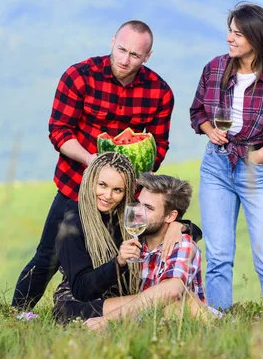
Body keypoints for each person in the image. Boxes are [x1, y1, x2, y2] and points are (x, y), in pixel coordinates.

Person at [12, 20, 175, 310]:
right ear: (112, 41)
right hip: (75, 184)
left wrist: (130, 178)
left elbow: (158, 145)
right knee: (48, 256)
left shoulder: (160, 92)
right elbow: (59, 131)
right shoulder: (79, 76)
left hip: (126, 193)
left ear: (147, 57)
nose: (125, 60)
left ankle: (123, 309)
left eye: (135, 55)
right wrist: (92, 161)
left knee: (126, 254)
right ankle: (17, 313)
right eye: (122, 49)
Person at [189, 3, 263, 310]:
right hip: (216, 164)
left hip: (256, 167)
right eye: (230, 30)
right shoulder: (214, 68)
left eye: (238, 33)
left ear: (256, 37)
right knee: (218, 256)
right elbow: (197, 110)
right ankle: (217, 323)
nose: (230, 38)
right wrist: (209, 130)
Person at [53, 153, 202, 324]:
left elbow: (161, 222)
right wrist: (119, 262)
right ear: (90, 181)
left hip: (118, 297)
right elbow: (81, 289)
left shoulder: (129, 215)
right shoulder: (74, 225)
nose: (108, 196)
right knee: (169, 302)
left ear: (126, 192)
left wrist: (180, 226)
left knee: (171, 303)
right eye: (102, 185)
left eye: (117, 190)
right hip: (81, 299)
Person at [80, 173, 213, 330]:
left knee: (175, 302)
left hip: (190, 320)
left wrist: (107, 321)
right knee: (76, 310)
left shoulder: (180, 242)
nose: (138, 213)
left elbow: (173, 290)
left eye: (148, 208)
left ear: (171, 216)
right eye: (138, 204)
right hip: (150, 317)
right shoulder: (135, 241)